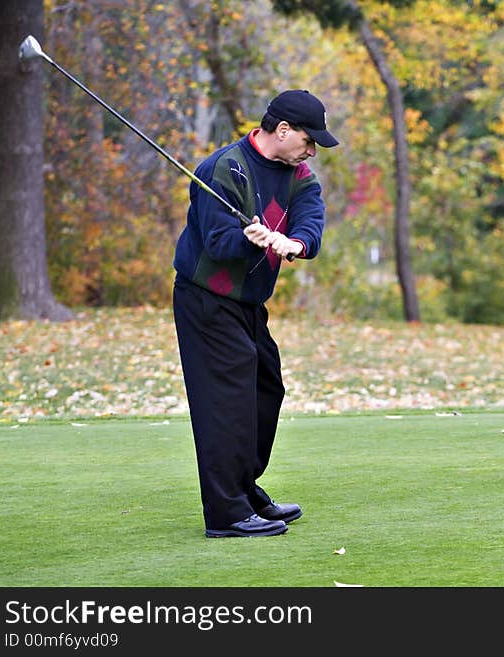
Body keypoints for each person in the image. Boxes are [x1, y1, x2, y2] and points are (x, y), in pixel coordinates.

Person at [172, 89, 339, 538]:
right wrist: (253, 237)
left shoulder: (298, 175)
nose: (312, 150)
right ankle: (226, 512)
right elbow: (218, 245)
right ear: (283, 130)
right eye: (309, 140)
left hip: (248, 304)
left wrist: (294, 243)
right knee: (225, 401)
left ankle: (243, 488)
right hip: (206, 298)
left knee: (267, 387)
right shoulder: (222, 170)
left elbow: (311, 221)